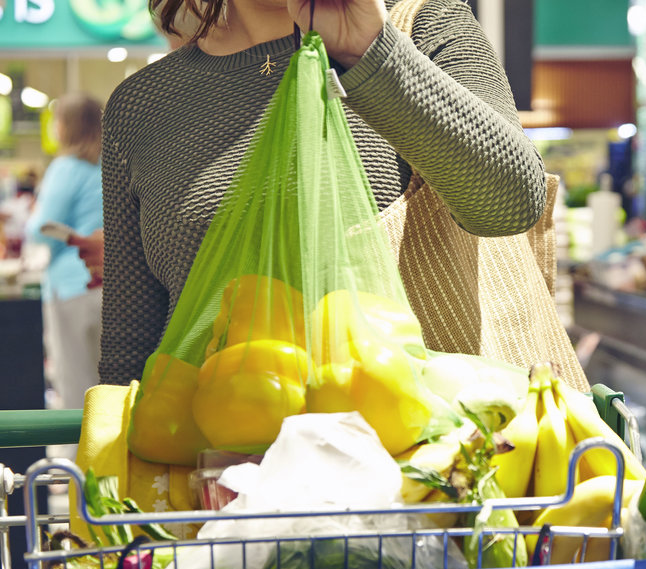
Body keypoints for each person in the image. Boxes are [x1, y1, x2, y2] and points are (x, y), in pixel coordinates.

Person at [97, 0, 557, 387]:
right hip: (222, 466)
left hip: (428, 464)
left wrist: (369, 50)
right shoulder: (142, 106)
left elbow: (511, 204)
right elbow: (129, 349)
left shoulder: (423, 25)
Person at [25, 92, 104, 411]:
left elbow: (41, 228)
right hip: (111, 284)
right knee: (109, 389)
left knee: (76, 390)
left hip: (72, 289)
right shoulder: (112, 162)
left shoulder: (66, 167)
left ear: (65, 126)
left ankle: (75, 462)